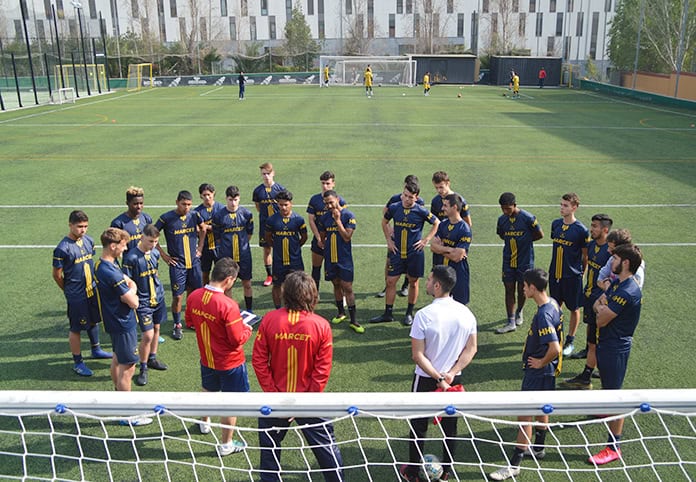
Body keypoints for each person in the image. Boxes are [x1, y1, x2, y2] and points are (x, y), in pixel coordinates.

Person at [252, 271, 343, 482]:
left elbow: (258, 361)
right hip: (310, 402)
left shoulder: (269, 320)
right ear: (312, 294)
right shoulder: (321, 325)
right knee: (327, 450)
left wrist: (276, 397)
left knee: (269, 453)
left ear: (286, 292)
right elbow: (322, 370)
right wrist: (302, 402)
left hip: (275, 403)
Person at [399, 266, 477, 482]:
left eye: (429, 279)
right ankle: (447, 473)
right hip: (454, 379)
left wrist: (438, 378)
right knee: (450, 427)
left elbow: (417, 355)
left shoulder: (423, 315)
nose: (426, 282)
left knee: (418, 427)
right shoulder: (466, 313)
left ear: (437, 285)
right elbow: (472, 348)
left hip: (426, 378)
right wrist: (451, 374)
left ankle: (413, 473)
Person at [489, 268, 562, 481]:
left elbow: (555, 348)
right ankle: (539, 447)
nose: (522, 289)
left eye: (524, 286)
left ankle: (514, 465)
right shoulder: (553, 303)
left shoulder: (543, 315)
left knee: (524, 416)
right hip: (549, 371)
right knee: (543, 407)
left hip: (538, 371)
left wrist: (540, 362)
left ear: (532, 287)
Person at [186, 257, 253, 456]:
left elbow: (190, 322)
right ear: (228, 280)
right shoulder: (228, 305)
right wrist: (247, 329)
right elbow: (236, 340)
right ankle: (226, 445)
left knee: (208, 389)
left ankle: (204, 423)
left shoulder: (195, 296)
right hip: (230, 363)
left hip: (207, 357)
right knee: (231, 403)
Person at [588, 244, 643, 466]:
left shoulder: (627, 290)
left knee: (615, 394)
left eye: (616, 258)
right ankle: (607, 412)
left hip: (615, 347)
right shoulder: (618, 284)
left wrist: (602, 306)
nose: (611, 261)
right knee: (608, 389)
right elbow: (595, 305)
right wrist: (602, 306)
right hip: (606, 344)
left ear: (626, 263)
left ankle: (613, 446)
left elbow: (600, 317)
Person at [95, 228, 152, 426]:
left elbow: (125, 281)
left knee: (118, 359)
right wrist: (134, 288)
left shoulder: (102, 265)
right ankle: (128, 414)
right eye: (123, 244)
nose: (125, 248)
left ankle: (118, 398)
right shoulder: (109, 271)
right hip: (122, 322)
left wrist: (129, 284)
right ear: (113, 246)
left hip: (114, 322)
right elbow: (133, 302)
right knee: (128, 368)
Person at [370, 181, 440, 326]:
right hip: (397, 252)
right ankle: (388, 313)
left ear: (416, 197)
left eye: (410, 197)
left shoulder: (421, 211)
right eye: (405, 195)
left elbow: (436, 223)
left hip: (414, 253)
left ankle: (409, 313)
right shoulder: (395, 207)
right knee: (390, 281)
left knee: (413, 282)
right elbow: (384, 222)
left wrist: (426, 239)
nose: (407, 199)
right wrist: (389, 241)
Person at [52, 210, 112, 377]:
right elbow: (57, 274)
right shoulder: (62, 248)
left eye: (85, 226)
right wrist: (68, 290)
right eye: (79, 226)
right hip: (76, 295)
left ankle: (96, 349)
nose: (83, 230)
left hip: (92, 290)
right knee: (76, 328)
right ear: (70, 225)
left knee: (93, 321)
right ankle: (78, 362)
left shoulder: (89, 241)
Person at [562, 214, 613, 390]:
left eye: (595, 227)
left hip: (601, 302)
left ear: (605, 230)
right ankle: (597, 366)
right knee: (593, 336)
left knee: (598, 339)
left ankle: (587, 376)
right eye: (592, 226)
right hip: (590, 296)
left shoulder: (611, 252)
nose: (591, 229)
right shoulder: (591, 246)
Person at [121, 224, 169, 387]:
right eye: (150, 241)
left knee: (156, 329)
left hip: (158, 298)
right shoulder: (131, 257)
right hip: (143, 302)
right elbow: (127, 281)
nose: (153, 244)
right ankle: (143, 367)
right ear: (142, 237)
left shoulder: (155, 253)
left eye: (156, 241)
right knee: (147, 335)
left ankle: (152, 358)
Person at [155, 190, 206, 340]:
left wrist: (200, 247)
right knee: (178, 296)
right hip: (178, 264)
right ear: (177, 202)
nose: (187, 207)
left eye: (189, 204)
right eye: (184, 204)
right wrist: (163, 255)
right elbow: (152, 234)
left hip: (194, 262)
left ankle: (191, 321)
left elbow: (203, 229)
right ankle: (177, 325)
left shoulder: (194, 215)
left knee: (196, 295)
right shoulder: (166, 218)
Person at [494, 192, 544, 333]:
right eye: (503, 209)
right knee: (509, 288)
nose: (505, 211)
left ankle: (519, 311)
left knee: (522, 289)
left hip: (525, 261)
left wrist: (525, 241)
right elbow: (501, 234)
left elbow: (540, 234)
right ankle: (510, 321)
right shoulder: (502, 220)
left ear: (515, 205)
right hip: (508, 260)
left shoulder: (528, 218)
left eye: (508, 209)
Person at [548, 193, 589, 356]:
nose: (562, 208)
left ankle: (570, 340)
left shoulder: (581, 230)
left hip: (572, 276)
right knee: (555, 308)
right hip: (555, 275)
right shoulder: (556, 224)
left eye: (565, 205)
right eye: (561, 205)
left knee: (574, 308)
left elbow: (585, 255)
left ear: (574, 207)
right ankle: (555, 337)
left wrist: (582, 274)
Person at [317, 189, 363, 333]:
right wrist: (322, 242)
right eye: (326, 203)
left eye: (331, 202)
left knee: (347, 287)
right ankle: (340, 312)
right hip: (330, 258)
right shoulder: (324, 217)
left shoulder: (348, 215)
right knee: (336, 284)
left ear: (337, 199)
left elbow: (347, 237)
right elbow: (323, 236)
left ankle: (354, 320)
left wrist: (337, 221)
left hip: (344, 259)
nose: (329, 206)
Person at [377, 174, 426, 298]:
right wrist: (389, 230)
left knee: (409, 265)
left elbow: (420, 219)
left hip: (410, 240)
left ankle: (405, 285)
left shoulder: (419, 202)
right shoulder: (395, 199)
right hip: (396, 238)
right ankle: (387, 286)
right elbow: (385, 214)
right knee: (389, 262)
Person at [212, 185, 256, 315]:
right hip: (227, 257)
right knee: (227, 285)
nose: (233, 203)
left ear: (239, 198)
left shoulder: (247, 214)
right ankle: (231, 311)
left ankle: (249, 309)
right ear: (226, 199)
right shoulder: (219, 216)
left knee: (247, 283)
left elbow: (249, 233)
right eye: (230, 199)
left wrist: (243, 245)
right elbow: (217, 237)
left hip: (244, 255)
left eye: (235, 199)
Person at [264, 190, 307, 309]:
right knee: (277, 285)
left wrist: (295, 247)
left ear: (291, 203)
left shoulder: (298, 219)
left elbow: (304, 237)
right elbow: (268, 237)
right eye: (280, 204)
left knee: (298, 285)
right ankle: (278, 309)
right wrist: (276, 246)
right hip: (279, 261)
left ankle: (298, 307)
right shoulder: (272, 220)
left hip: (295, 260)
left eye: (285, 204)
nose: (283, 207)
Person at [306, 171, 346, 293]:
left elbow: (343, 219)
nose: (325, 186)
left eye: (328, 183)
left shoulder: (340, 200)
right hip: (319, 240)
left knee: (339, 271)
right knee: (316, 269)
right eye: (323, 183)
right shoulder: (314, 199)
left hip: (335, 241)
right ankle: (314, 294)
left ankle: (342, 296)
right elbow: (311, 220)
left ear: (333, 184)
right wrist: (319, 238)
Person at [430, 194, 472, 305]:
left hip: (458, 274)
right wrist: (450, 249)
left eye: (445, 205)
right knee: (440, 305)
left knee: (459, 306)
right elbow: (433, 247)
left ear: (454, 207)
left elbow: (457, 257)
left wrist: (441, 248)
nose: (442, 208)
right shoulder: (443, 224)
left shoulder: (465, 229)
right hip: (440, 272)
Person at [253, 162, 286, 287]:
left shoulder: (280, 189)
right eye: (263, 174)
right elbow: (258, 207)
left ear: (273, 173)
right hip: (265, 225)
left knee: (281, 249)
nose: (266, 176)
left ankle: (282, 273)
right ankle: (270, 275)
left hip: (279, 225)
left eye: (268, 173)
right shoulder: (257, 191)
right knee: (267, 249)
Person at [194, 183, 225, 286]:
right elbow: (196, 229)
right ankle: (205, 294)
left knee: (221, 273)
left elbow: (223, 227)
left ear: (213, 193)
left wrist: (206, 227)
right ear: (200, 196)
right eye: (204, 195)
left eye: (209, 194)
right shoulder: (197, 212)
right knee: (205, 273)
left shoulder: (221, 209)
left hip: (219, 246)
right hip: (205, 247)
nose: (207, 197)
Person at [110, 186, 153, 253]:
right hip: (129, 262)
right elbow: (113, 248)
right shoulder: (118, 223)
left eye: (141, 203)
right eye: (135, 204)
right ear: (127, 203)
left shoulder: (147, 219)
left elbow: (152, 239)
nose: (139, 206)